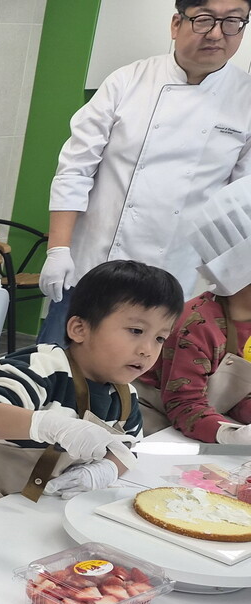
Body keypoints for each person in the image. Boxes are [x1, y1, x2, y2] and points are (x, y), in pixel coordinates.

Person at [0, 260, 183, 538]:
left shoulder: (124, 396)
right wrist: (52, 425)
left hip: (22, 509)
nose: (147, 350)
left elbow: (126, 450)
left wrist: (105, 469)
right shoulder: (42, 366)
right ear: (79, 329)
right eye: (136, 331)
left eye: (160, 338)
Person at [37, 0, 251, 346]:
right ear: (176, 24)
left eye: (233, 22)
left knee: (137, 384)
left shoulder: (247, 100)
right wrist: (58, 249)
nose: (216, 34)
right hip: (94, 265)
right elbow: (75, 168)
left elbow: (239, 208)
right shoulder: (128, 81)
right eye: (204, 20)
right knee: (54, 370)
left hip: (173, 276)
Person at [136, 177, 251, 441]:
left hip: (209, 420)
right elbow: (183, 404)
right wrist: (232, 435)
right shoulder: (196, 324)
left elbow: (238, 396)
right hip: (156, 425)